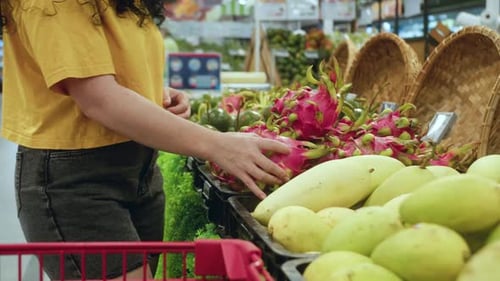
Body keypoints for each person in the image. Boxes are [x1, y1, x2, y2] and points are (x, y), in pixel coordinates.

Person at [0, 0, 290, 280]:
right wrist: (216, 144)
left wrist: (152, 92)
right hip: (77, 181)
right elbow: (99, 99)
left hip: (140, 167)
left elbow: (104, 75)